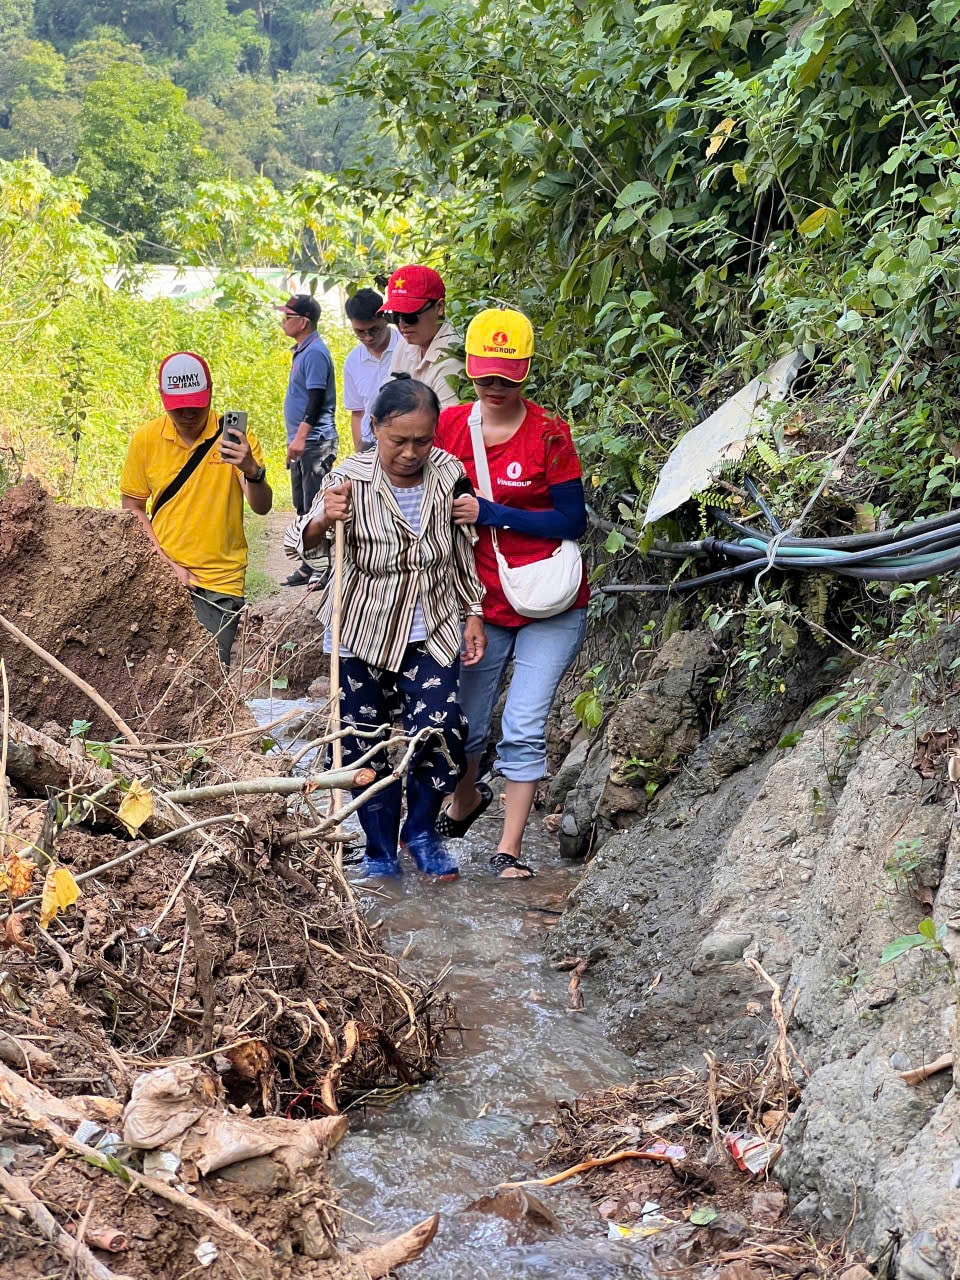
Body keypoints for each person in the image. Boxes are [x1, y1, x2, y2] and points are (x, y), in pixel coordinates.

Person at [284, 375, 486, 880]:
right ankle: (378, 849)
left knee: (442, 731)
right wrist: (321, 520)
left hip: (431, 627)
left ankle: (420, 831)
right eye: (399, 440)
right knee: (363, 741)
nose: (410, 452)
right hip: (361, 630)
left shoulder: (448, 474)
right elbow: (296, 543)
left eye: (423, 440)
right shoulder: (349, 478)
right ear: (375, 428)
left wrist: (474, 612)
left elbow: (463, 552)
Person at [434, 308, 589, 878]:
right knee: (465, 725)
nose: (495, 387)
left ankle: (509, 851)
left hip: (549, 600)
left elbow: (572, 520)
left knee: (523, 723)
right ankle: (465, 799)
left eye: (507, 377)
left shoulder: (549, 432)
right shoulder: (449, 428)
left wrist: (492, 512)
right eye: (485, 377)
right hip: (480, 603)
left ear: (525, 374)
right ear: (469, 372)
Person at [120, 351, 272, 666]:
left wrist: (251, 469)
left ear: (211, 391)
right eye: (179, 407)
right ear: (162, 398)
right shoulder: (146, 439)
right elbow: (133, 508)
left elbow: (262, 506)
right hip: (161, 575)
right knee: (156, 676)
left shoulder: (235, 437)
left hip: (221, 580)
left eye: (196, 404)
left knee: (208, 677)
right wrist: (165, 566)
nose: (188, 413)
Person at [278, 293, 338, 587]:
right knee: (302, 505)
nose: (283, 322)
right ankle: (308, 563)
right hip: (303, 442)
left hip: (315, 441)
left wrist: (300, 438)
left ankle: (323, 567)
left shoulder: (315, 353)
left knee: (317, 507)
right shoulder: (302, 350)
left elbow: (315, 400)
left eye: (287, 317)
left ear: (303, 322)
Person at [384, 265, 464, 409]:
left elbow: (446, 426)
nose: (402, 324)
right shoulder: (406, 342)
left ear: (439, 307)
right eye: (395, 315)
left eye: (410, 316)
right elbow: (388, 401)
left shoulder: (452, 359)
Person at [343, 288, 399, 453]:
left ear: (386, 319)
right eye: (359, 332)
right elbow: (358, 412)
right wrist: (359, 453)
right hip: (371, 446)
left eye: (374, 330)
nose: (368, 337)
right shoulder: (353, 362)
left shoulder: (407, 347)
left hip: (405, 441)